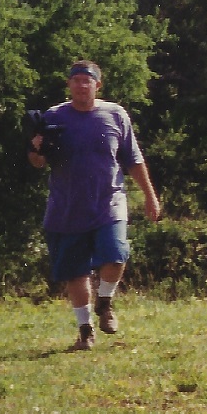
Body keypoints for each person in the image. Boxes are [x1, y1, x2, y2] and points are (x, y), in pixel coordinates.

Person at [28, 61, 162, 350]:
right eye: (75, 80)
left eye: (87, 80)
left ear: (97, 85)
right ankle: (85, 330)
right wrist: (37, 148)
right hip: (67, 207)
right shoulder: (54, 116)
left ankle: (105, 301)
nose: (81, 85)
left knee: (116, 254)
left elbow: (133, 159)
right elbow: (38, 163)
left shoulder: (115, 114)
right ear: (69, 85)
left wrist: (151, 196)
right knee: (75, 272)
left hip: (108, 201)